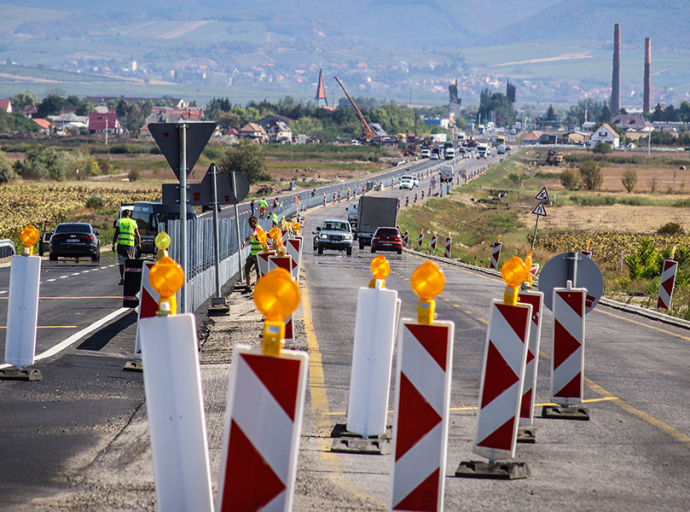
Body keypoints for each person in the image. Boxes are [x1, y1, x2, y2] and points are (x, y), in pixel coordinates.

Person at [112, 209, 141, 285]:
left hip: (121, 245)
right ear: (130, 215)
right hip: (130, 245)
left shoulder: (119, 221)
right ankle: (130, 278)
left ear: (122, 214)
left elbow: (116, 233)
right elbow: (138, 235)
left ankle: (123, 278)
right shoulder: (133, 222)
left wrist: (113, 244)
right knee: (131, 262)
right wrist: (139, 244)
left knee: (121, 263)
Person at [240, 216, 263, 287]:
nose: (249, 224)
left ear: (255, 222)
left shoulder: (258, 228)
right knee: (247, 269)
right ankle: (248, 286)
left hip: (258, 254)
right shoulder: (254, 229)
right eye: (249, 223)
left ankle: (257, 287)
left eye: (251, 223)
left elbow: (253, 235)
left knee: (258, 272)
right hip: (253, 254)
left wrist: (245, 240)